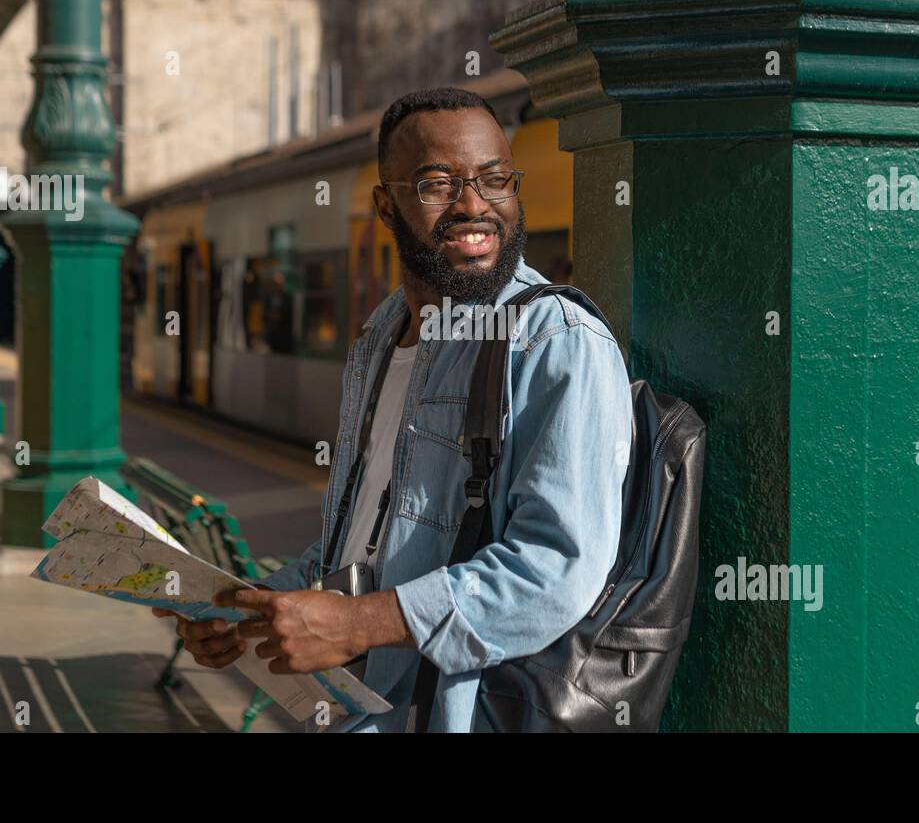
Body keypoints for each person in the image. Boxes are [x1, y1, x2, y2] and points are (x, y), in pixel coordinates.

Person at [153, 88, 632, 732]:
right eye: (437, 183)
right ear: (386, 204)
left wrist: (360, 622)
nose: (473, 206)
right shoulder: (381, 337)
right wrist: (257, 612)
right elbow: (362, 538)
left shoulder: (555, 340)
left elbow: (557, 568)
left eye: (495, 180)